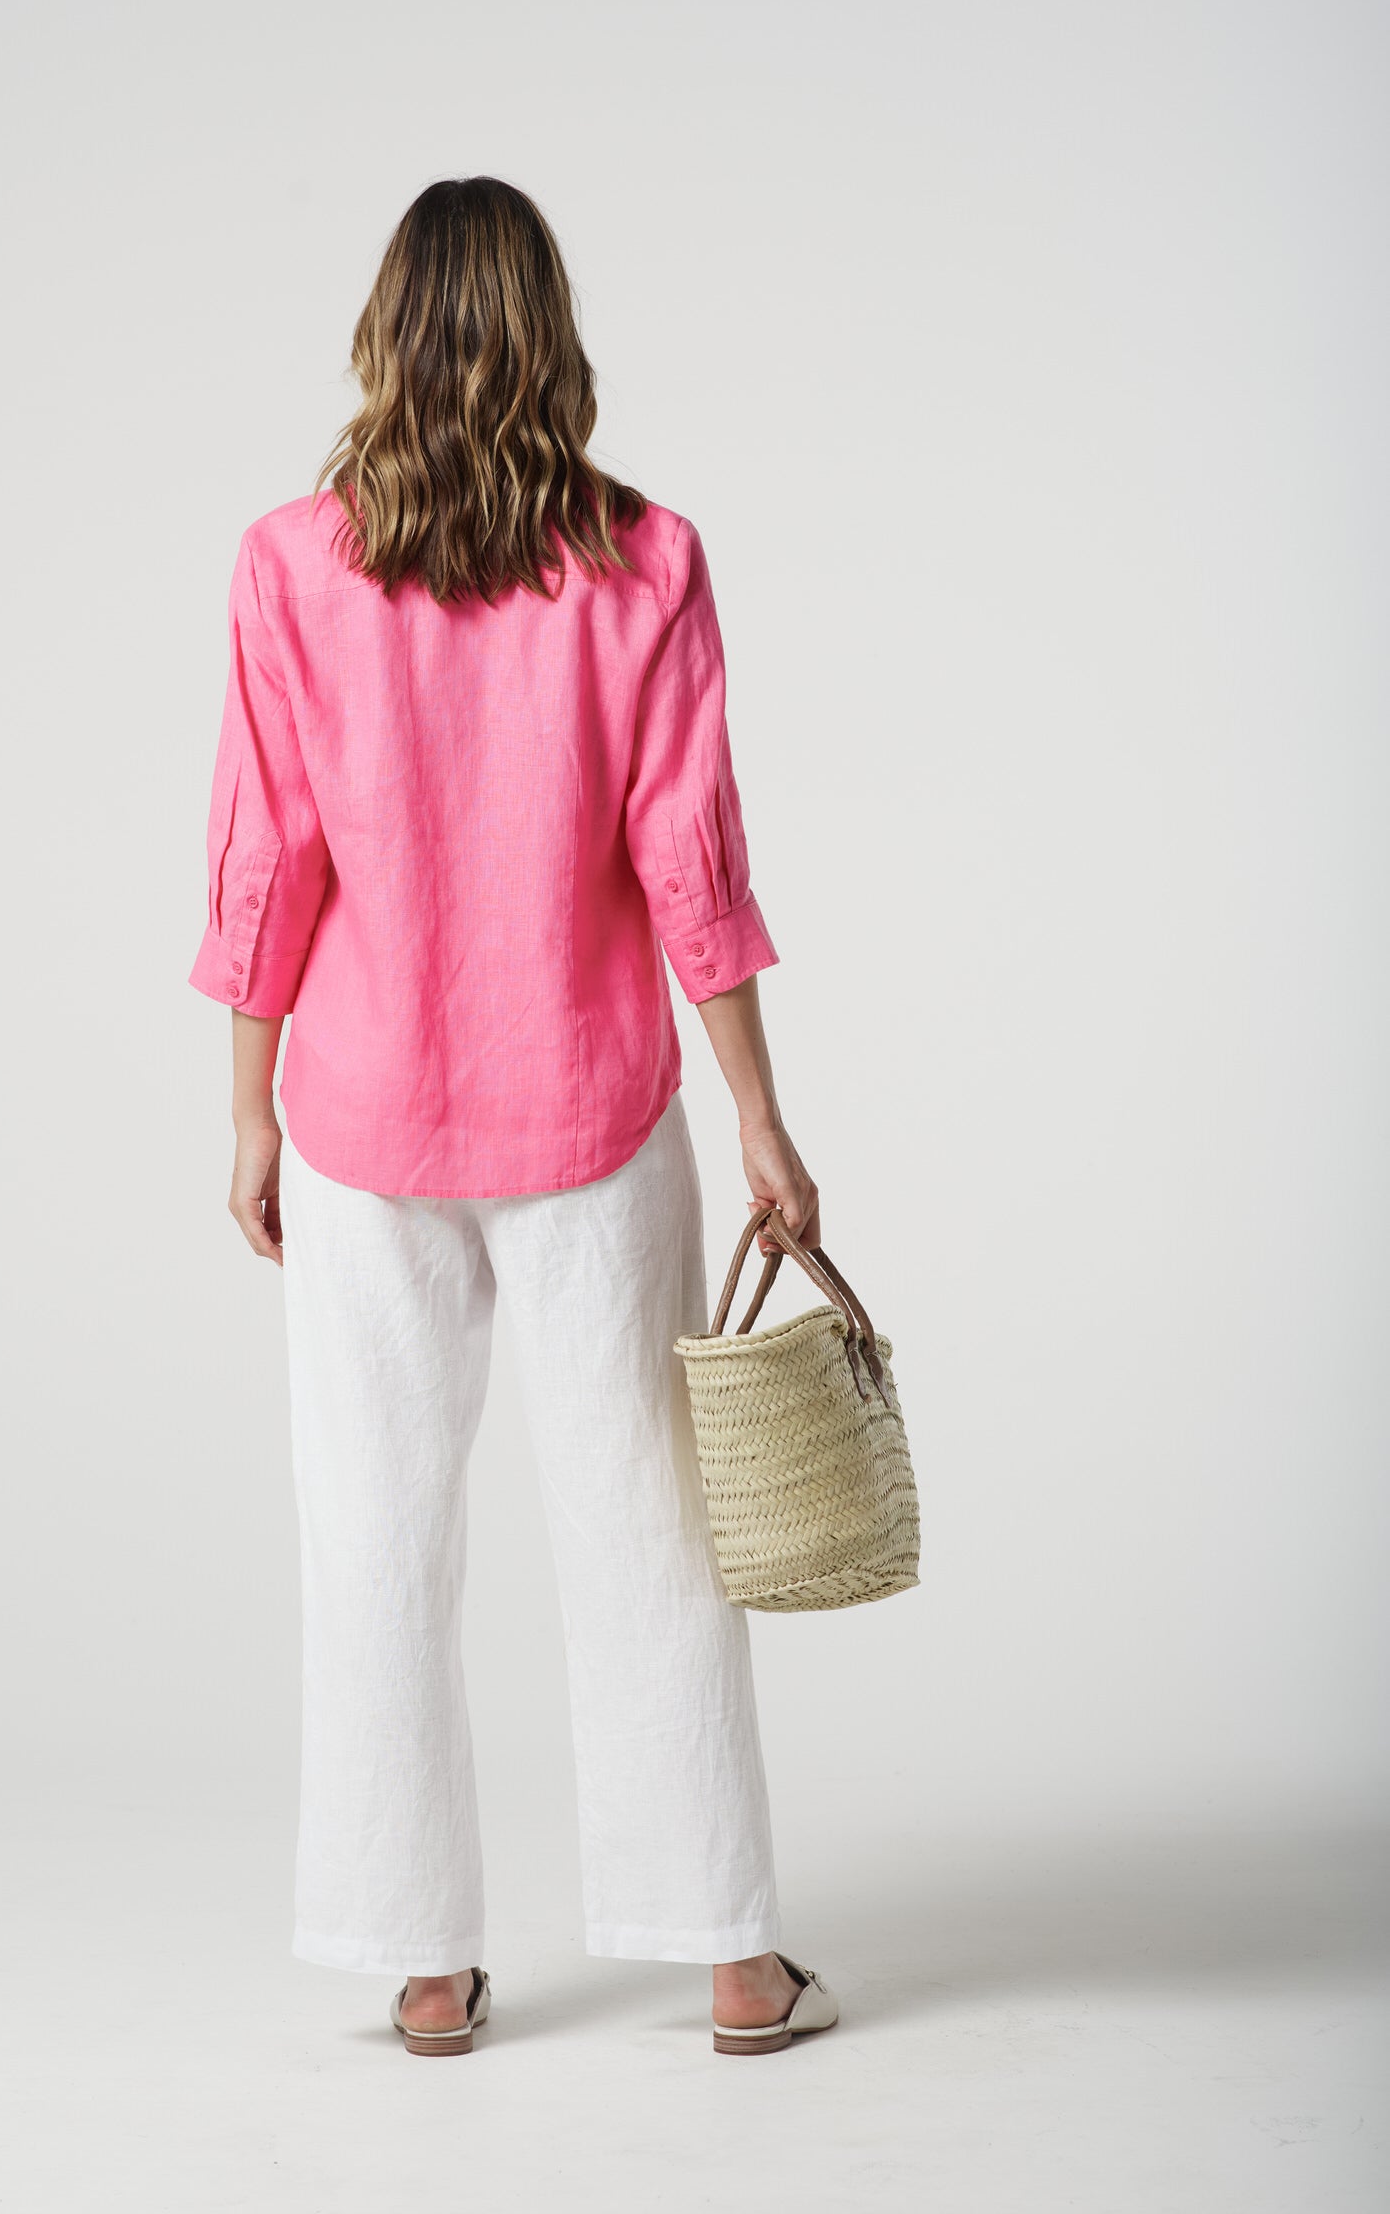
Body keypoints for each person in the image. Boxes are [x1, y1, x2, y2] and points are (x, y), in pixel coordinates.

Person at [187, 175, 839, 2058]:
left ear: (387, 335)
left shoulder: (288, 564)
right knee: (653, 1526)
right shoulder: (651, 561)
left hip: (364, 1115)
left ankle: (420, 1965)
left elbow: (270, 857)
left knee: (374, 1533)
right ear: (552, 335)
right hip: (594, 1112)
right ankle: (731, 1960)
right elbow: (688, 856)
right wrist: (763, 1116)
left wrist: (248, 1109)